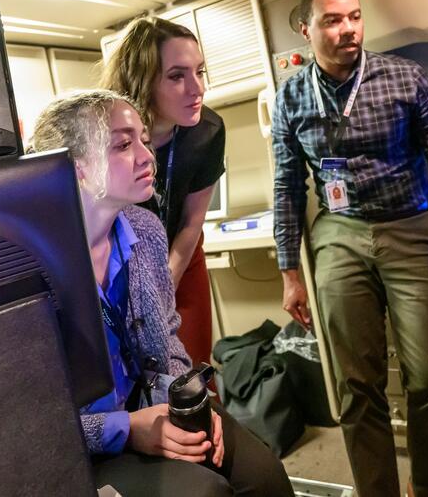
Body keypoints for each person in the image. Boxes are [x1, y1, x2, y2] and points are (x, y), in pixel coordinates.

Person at [29, 89, 291, 497]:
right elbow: (30, 417)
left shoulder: (145, 230)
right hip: (84, 443)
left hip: (154, 405)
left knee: (266, 477)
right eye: (122, 144)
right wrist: (125, 429)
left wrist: (192, 405)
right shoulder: (30, 266)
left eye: (144, 141)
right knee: (205, 492)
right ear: (75, 166)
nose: (146, 157)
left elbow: (167, 341)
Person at [270, 0, 428, 497]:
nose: (348, 29)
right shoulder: (289, 98)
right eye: (332, 20)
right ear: (304, 28)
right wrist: (291, 273)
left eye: (354, 16)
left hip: (410, 224)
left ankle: (427, 489)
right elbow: (287, 187)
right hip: (339, 230)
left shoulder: (406, 77)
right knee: (356, 383)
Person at [102, 17, 225, 371]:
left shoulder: (208, 131)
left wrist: (165, 285)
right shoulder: (110, 135)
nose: (196, 88)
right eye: (176, 76)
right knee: (136, 370)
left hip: (182, 258)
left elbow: (192, 222)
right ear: (143, 80)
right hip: (125, 262)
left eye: (199, 72)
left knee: (191, 370)